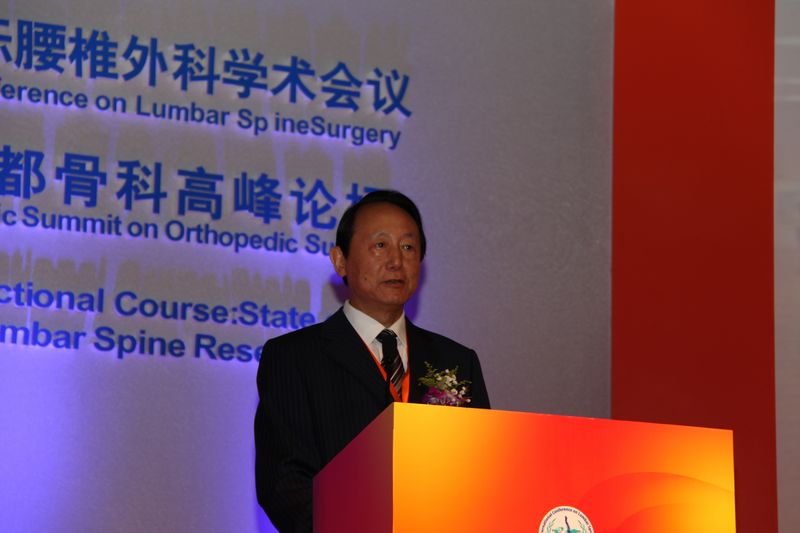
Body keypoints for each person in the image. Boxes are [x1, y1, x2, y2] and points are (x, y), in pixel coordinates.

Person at [254, 190, 490, 532]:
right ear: (340, 261)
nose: (396, 261)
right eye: (380, 245)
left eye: (408, 247)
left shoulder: (457, 360)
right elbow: (285, 485)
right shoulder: (294, 357)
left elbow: (481, 474)